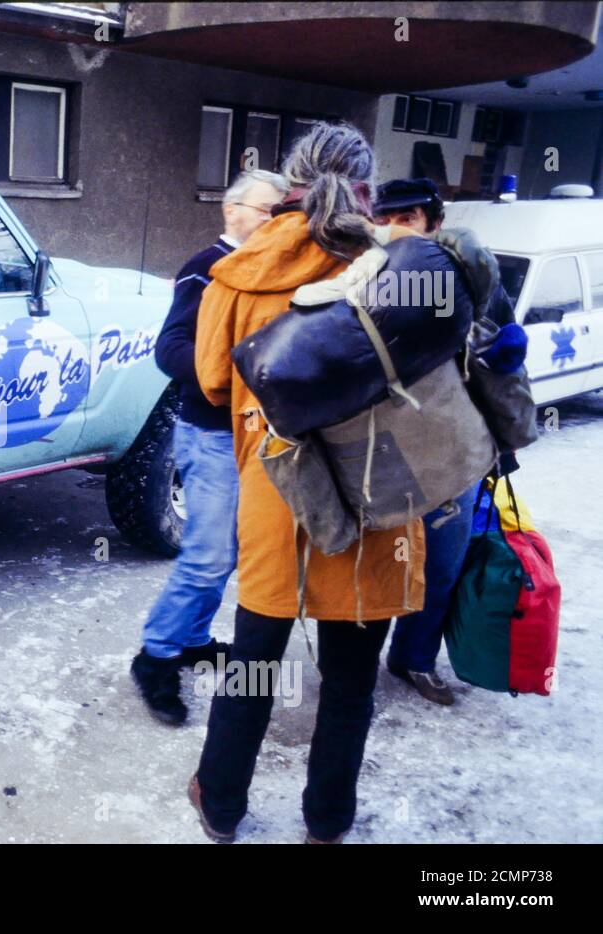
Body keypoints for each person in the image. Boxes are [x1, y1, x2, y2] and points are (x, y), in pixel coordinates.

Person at [188, 122, 427, 844]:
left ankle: (222, 804)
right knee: (351, 682)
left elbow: (208, 378)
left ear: (288, 181)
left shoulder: (241, 267)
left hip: (278, 490)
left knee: (255, 664)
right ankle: (327, 823)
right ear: (367, 184)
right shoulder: (397, 266)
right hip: (378, 493)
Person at [131, 169, 288, 726]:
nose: (276, 222)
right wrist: (223, 375)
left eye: (281, 212)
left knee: (229, 550)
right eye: (267, 210)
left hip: (257, 436)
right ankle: (155, 657)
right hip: (214, 433)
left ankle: (193, 638)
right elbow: (169, 348)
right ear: (232, 210)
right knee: (207, 554)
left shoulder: (272, 272)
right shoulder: (207, 267)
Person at [372, 178, 521, 706]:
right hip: (382, 450)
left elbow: (501, 343)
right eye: (387, 218)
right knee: (376, 563)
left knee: (441, 565)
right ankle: (356, 663)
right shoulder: (365, 275)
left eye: (409, 218)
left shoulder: (471, 275)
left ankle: (414, 658)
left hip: (455, 453)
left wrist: (506, 350)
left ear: (435, 223)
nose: (396, 229)